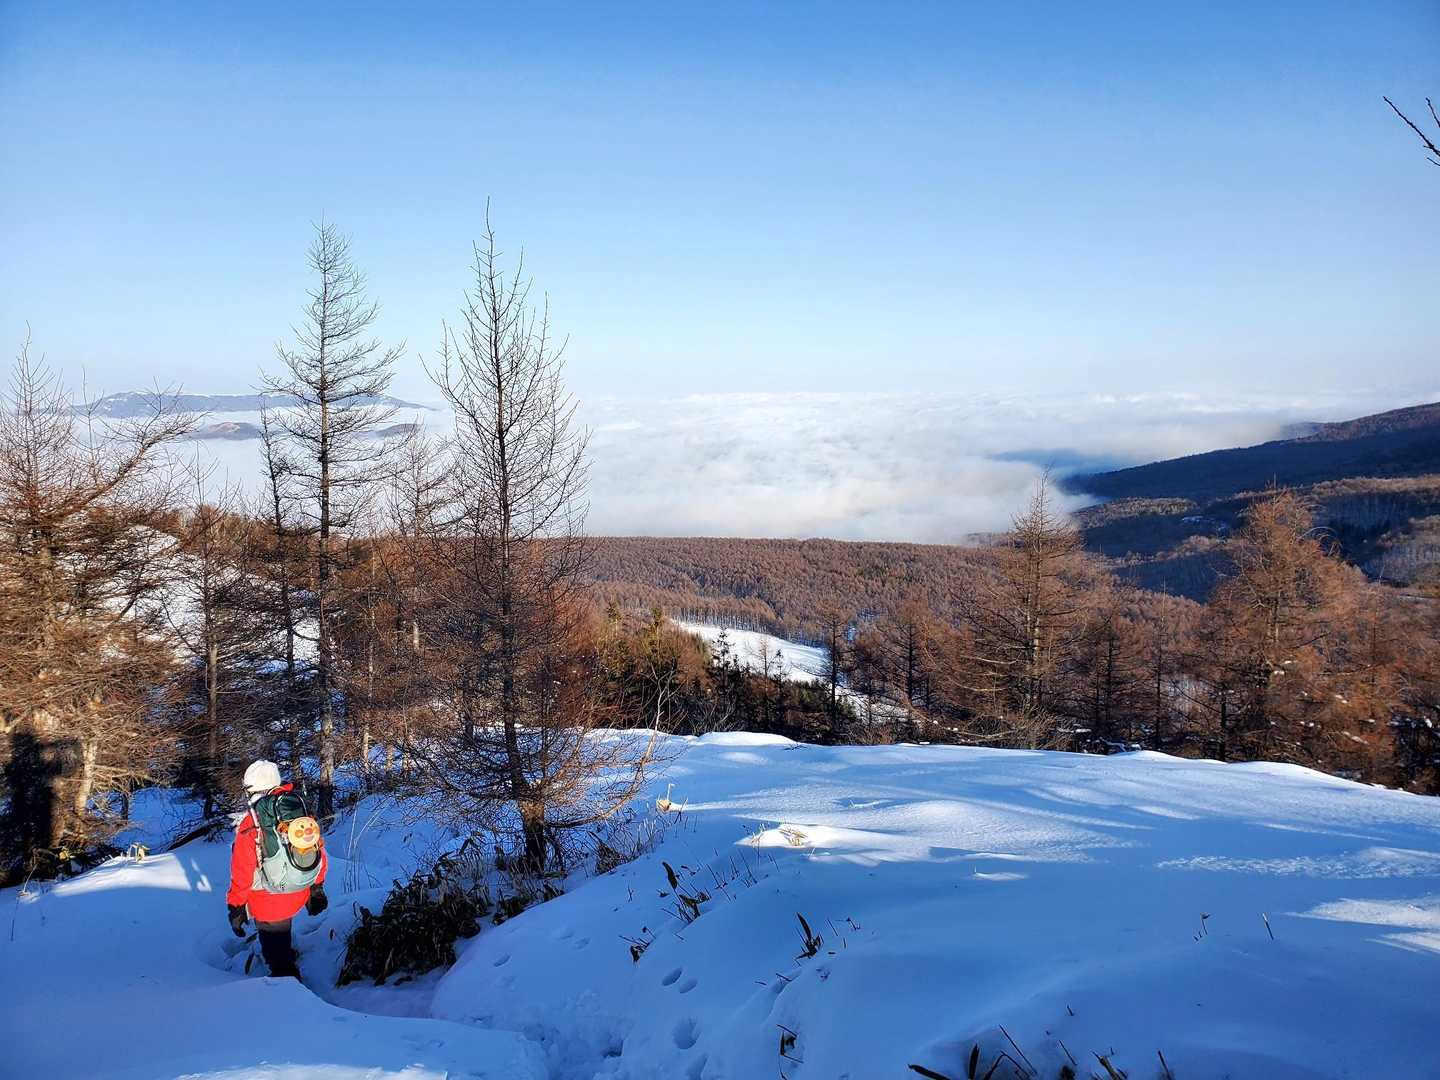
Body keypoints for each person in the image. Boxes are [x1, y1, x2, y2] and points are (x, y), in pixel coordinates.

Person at [226, 760, 328, 980]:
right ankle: (286, 957)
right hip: (299, 889)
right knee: (282, 938)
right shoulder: (297, 809)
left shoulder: (253, 821)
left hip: (269, 901)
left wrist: (235, 907)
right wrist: (317, 887)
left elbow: (242, 870)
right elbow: (317, 848)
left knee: (278, 959)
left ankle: (288, 988)